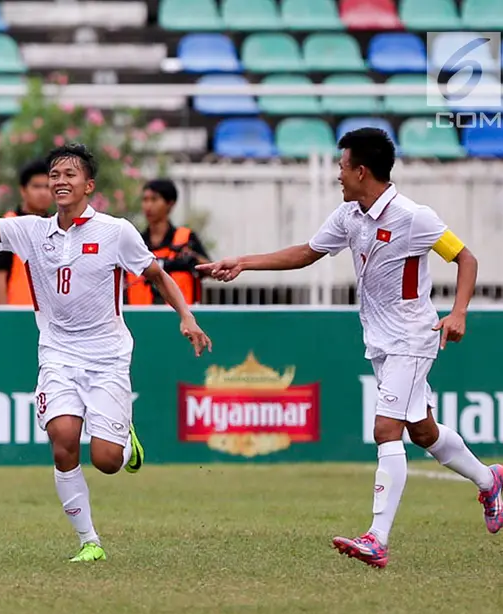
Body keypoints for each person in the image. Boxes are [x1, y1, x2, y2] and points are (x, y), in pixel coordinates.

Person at [199, 127, 503, 569]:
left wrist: (458, 313)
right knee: (423, 432)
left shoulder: (413, 216)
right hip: (380, 342)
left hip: (413, 338)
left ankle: (377, 538)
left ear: (362, 170)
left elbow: (466, 258)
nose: (338, 175)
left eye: (342, 167)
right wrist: (243, 262)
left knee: (386, 430)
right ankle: (490, 480)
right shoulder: (349, 215)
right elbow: (306, 253)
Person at [0, 131, 212, 564]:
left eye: (69, 174)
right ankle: (89, 540)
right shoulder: (30, 230)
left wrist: (185, 317)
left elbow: (156, 275)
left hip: (107, 356)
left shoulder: (116, 231)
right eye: (54, 174)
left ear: (88, 185)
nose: (59, 180)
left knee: (108, 461)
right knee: (62, 438)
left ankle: (124, 439)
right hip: (56, 352)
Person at [126, 178, 210, 306]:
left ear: (170, 203)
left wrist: (192, 259)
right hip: (140, 318)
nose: (148, 206)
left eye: (154, 199)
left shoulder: (186, 238)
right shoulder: (136, 242)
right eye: (145, 200)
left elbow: (211, 269)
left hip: (180, 317)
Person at [0, 159, 51, 306]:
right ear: (23, 190)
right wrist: (2, 315)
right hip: (17, 312)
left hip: (50, 318)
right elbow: (0, 274)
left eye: (47, 187)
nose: (43, 192)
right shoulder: (8, 224)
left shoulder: (56, 225)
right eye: (36, 186)